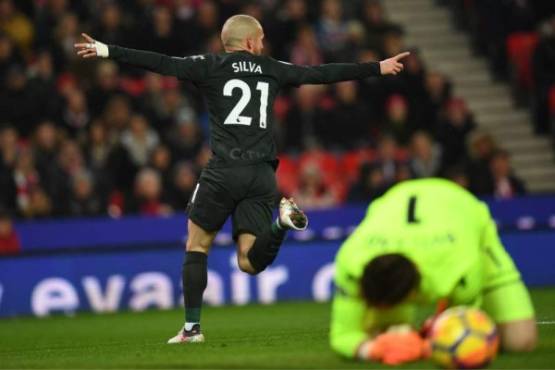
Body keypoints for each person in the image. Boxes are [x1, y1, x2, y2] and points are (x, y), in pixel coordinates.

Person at [75, 14, 409, 344]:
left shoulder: (210, 65)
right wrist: (375, 67)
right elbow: (321, 74)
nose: (263, 44)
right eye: (261, 39)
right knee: (249, 262)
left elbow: (160, 62)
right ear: (250, 42)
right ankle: (280, 225)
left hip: (224, 172)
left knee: (197, 245)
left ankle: (192, 329)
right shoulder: (272, 68)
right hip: (262, 175)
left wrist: (108, 50)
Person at [330, 178, 537, 365]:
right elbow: (342, 336)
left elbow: (463, 324)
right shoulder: (351, 261)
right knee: (387, 336)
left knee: (520, 341)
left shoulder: (459, 268)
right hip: (394, 201)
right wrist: (371, 349)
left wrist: (430, 337)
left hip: (463, 211)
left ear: (412, 293)